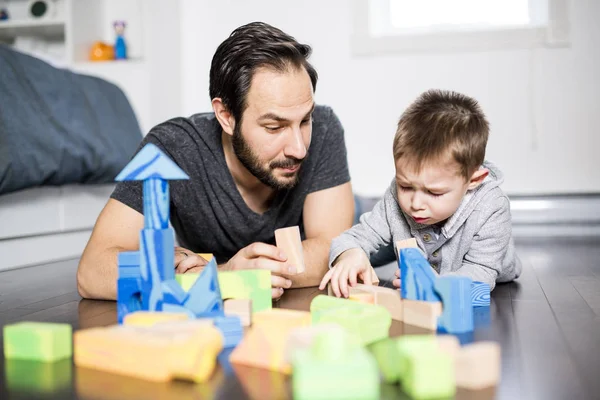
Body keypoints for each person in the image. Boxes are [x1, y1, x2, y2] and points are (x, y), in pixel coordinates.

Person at [77, 22, 355, 301]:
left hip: (356, 217)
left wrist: (223, 274)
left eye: (305, 120)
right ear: (226, 116)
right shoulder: (172, 149)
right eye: (274, 127)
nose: (299, 148)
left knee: (385, 228)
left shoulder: (324, 128)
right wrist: (222, 276)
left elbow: (335, 250)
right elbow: (92, 273)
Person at [320, 89, 522, 298]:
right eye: (406, 186)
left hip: (488, 275)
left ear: (473, 180)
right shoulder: (397, 200)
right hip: (417, 242)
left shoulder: (492, 206)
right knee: (366, 255)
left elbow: (481, 272)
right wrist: (349, 254)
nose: (415, 203)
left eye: (434, 193)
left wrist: (436, 284)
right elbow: (356, 236)